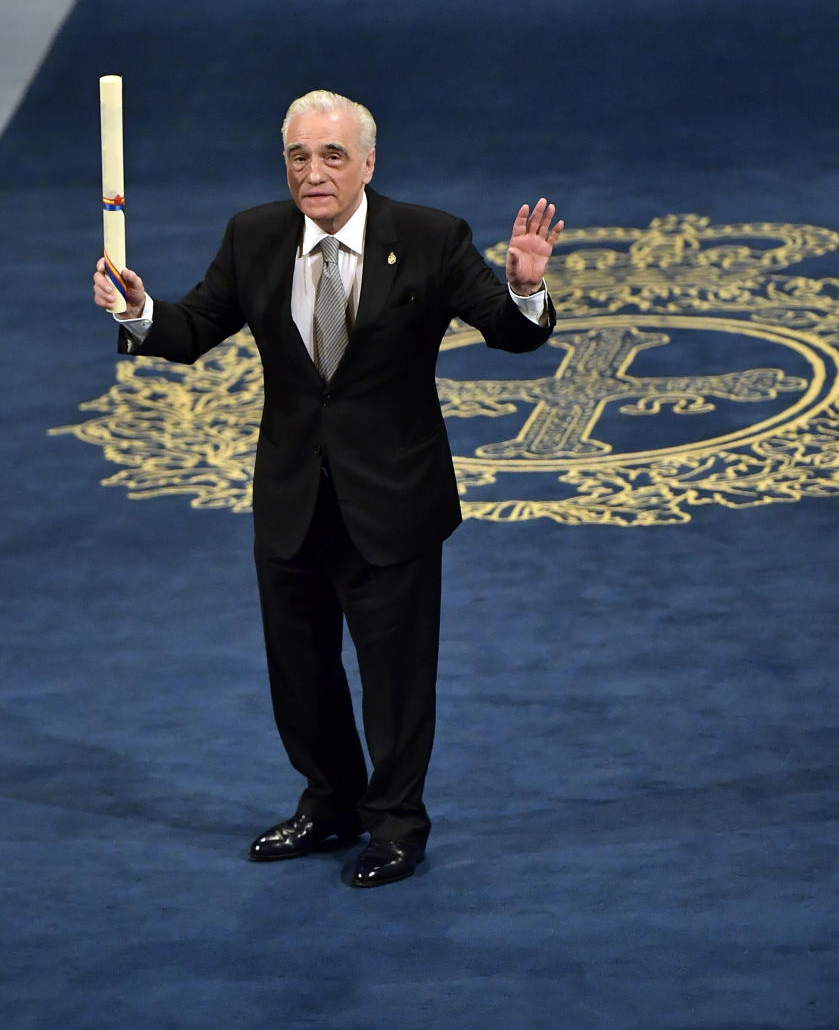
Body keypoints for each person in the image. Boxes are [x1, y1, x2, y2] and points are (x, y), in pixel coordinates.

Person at [93, 89, 562, 887]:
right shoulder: (255, 236)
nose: (313, 172)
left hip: (392, 502)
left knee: (396, 680)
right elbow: (193, 329)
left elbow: (512, 334)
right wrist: (139, 311)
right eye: (299, 157)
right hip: (291, 499)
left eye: (332, 156)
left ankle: (396, 825)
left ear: (369, 163)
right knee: (300, 673)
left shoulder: (429, 237)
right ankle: (330, 804)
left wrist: (524, 286)